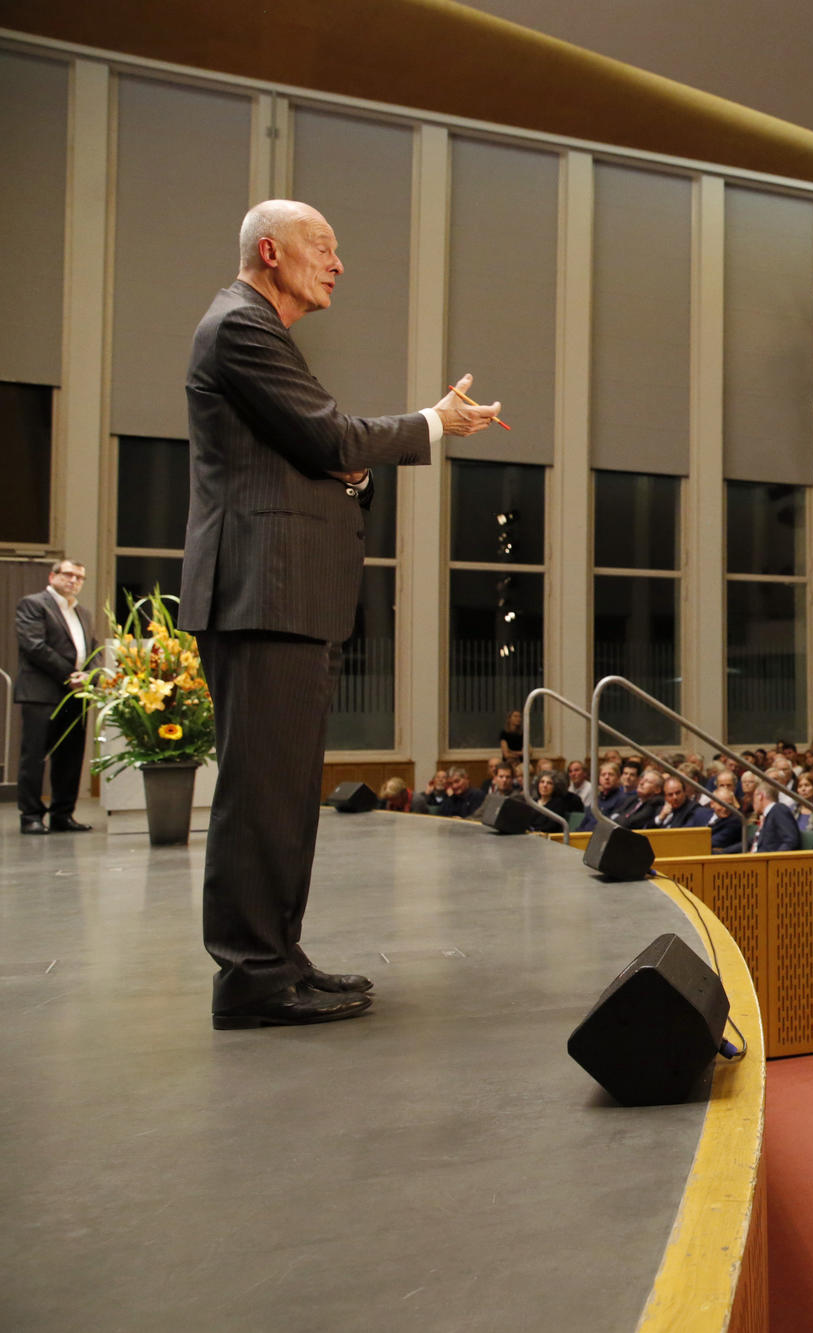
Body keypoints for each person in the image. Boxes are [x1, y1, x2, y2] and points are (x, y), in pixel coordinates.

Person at [185, 200, 499, 1029]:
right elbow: (330, 438)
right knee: (261, 797)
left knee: (286, 795)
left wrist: (349, 469)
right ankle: (251, 974)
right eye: (322, 246)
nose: (338, 262)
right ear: (268, 250)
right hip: (263, 594)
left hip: (286, 595)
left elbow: (319, 452)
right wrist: (434, 422)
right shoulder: (242, 326)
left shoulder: (265, 334)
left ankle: (278, 959)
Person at [14, 557, 95, 834]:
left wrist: (90, 675)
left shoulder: (83, 613)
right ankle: (31, 816)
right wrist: (70, 675)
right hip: (42, 693)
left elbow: (91, 648)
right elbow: (34, 646)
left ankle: (63, 814)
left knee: (70, 757)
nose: (74, 581)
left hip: (76, 695)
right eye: (68, 575)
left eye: (79, 577)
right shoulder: (33, 604)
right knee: (34, 757)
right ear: (52, 577)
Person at [750, 777, 801, 852]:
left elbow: (790, 840)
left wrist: (775, 859)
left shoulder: (778, 809)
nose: (753, 802)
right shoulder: (767, 815)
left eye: (754, 797)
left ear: (760, 796)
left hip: (770, 861)